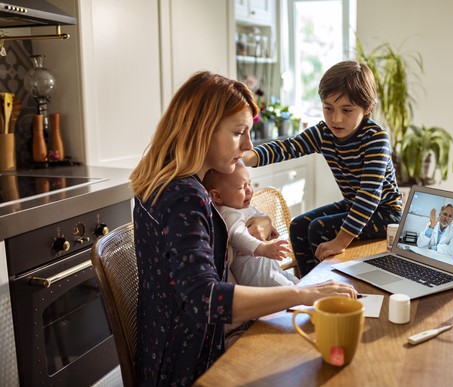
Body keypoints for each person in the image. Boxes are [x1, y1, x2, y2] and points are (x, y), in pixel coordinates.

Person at [130, 71, 357, 385]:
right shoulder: (185, 198)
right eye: (239, 132)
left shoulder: (168, 185)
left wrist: (259, 222)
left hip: (166, 352)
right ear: (202, 129)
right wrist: (303, 293)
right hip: (191, 366)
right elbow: (205, 299)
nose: (249, 145)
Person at [243, 60, 403, 277]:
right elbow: (288, 147)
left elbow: (369, 196)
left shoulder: (375, 139)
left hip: (386, 213)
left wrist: (341, 241)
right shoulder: (323, 132)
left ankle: (327, 284)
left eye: (347, 110)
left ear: (367, 108)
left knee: (318, 228)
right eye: (328, 108)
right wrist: (247, 157)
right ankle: (309, 284)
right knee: (299, 225)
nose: (336, 119)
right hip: (353, 205)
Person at [202, 161, 298, 287]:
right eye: (242, 187)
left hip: (270, 269)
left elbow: (257, 216)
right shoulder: (228, 213)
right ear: (217, 196)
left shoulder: (241, 207)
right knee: (292, 291)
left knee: (298, 283)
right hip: (256, 276)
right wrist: (262, 248)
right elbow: (238, 234)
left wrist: (270, 229)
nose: (249, 191)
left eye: (249, 184)